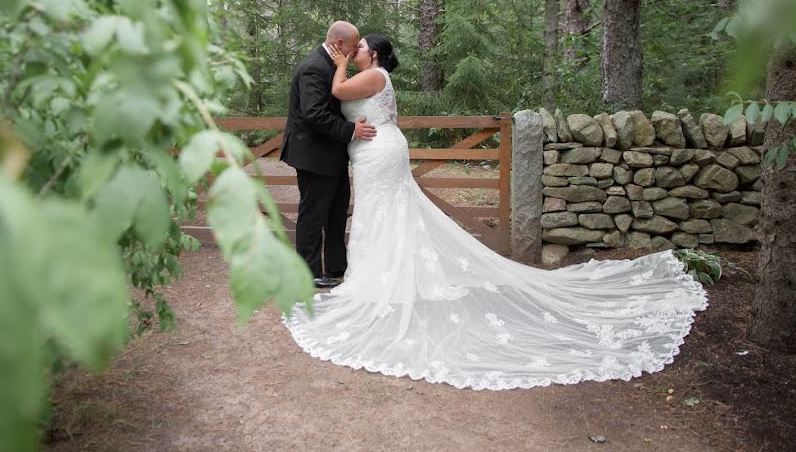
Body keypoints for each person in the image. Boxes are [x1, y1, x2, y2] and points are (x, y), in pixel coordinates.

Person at [283, 34, 707, 391]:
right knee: (383, 215)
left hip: (379, 153)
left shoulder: (369, 74)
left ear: (371, 55)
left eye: (358, 49)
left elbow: (339, 94)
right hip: (373, 154)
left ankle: (385, 278)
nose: (353, 52)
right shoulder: (370, 74)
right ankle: (380, 272)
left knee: (385, 214)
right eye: (349, 49)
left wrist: (339, 64)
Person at [280, 21, 377, 288]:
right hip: (314, 155)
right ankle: (308, 274)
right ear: (338, 45)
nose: (356, 50)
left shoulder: (332, 65)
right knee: (313, 215)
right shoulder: (314, 67)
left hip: (332, 156)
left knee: (336, 213)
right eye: (353, 46)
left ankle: (336, 269)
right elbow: (314, 114)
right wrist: (351, 130)